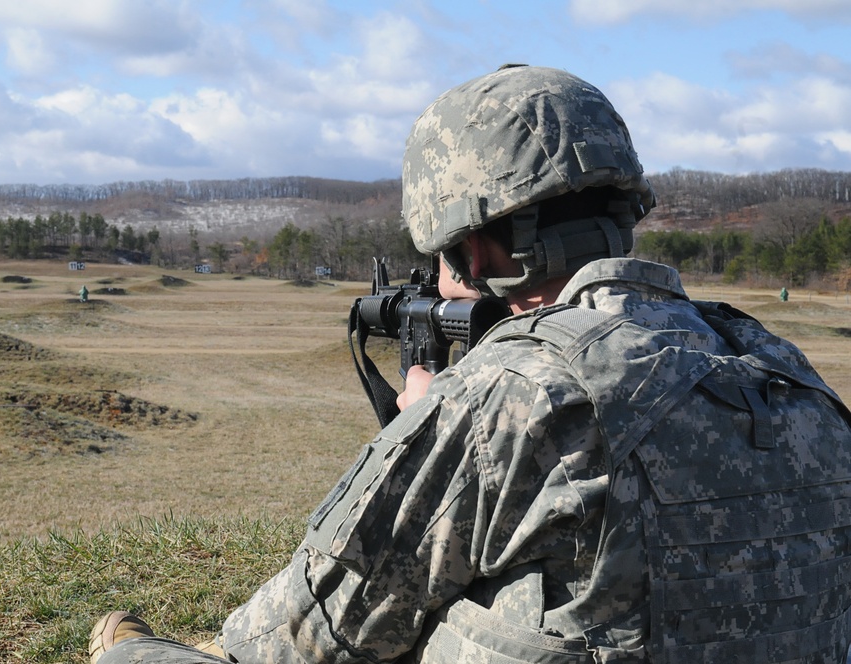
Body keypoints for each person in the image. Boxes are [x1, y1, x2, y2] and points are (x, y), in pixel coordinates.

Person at [89, 65, 851, 663]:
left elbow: (305, 638)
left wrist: (431, 420)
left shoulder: (510, 394)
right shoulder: (776, 362)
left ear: (476, 248)